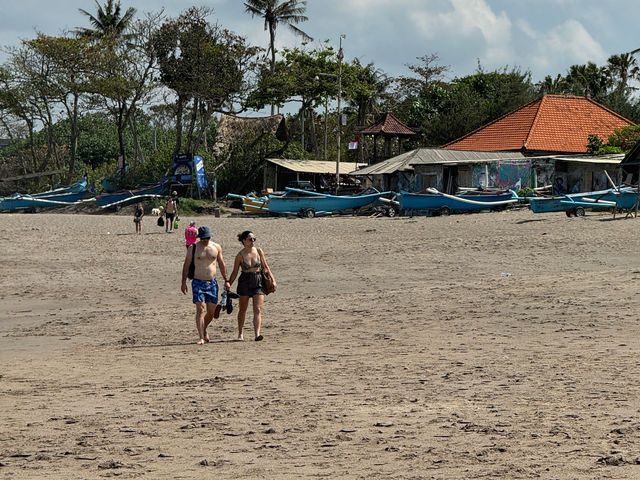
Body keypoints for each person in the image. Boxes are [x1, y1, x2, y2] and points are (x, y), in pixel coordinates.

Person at [181, 226, 230, 345]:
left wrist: (226, 280)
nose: (205, 240)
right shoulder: (193, 248)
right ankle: (201, 337)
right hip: (198, 282)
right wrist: (183, 282)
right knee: (200, 308)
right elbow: (186, 264)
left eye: (207, 238)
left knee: (211, 312)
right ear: (199, 238)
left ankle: (204, 328)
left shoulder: (216, 247)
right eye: (203, 238)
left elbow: (221, 264)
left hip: (212, 283)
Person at [228, 230, 273, 342]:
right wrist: (228, 283)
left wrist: (273, 280)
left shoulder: (258, 251)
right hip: (245, 281)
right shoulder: (240, 255)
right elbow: (234, 272)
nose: (252, 241)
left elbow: (266, 267)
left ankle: (257, 334)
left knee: (257, 308)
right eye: (250, 239)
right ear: (244, 241)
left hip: (258, 280)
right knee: (243, 309)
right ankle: (240, 334)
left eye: (254, 239)